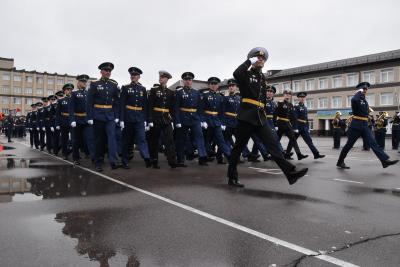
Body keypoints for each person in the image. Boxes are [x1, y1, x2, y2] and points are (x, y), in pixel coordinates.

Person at [228, 47, 308, 187]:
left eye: (263, 58)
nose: (261, 60)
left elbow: (263, 99)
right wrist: (248, 61)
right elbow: (236, 73)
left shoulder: (262, 78)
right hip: (246, 117)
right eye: (258, 57)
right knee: (238, 148)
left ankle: (290, 173)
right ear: (252, 59)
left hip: (260, 117)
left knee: (273, 146)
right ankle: (232, 177)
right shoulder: (246, 74)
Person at [336, 82, 398, 169]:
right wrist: (358, 92)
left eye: (366, 89)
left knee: (373, 143)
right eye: (364, 89)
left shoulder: (364, 100)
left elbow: (364, 112)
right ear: (360, 90)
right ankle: (340, 161)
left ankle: (384, 161)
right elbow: (354, 100)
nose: (365, 90)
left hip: (364, 125)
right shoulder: (356, 98)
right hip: (356, 125)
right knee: (349, 145)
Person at [87, 62, 120, 171]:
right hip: (98, 115)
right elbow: (89, 102)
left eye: (109, 71)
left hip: (110, 115)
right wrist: (90, 117)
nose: (108, 72)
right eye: (106, 70)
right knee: (99, 140)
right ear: (101, 71)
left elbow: (116, 102)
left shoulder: (113, 85)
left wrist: (116, 115)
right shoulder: (95, 84)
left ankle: (113, 161)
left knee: (112, 138)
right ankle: (98, 162)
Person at [148, 70, 182, 168]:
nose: (160, 79)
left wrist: (173, 120)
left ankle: (172, 161)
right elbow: (150, 106)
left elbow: (172, 108)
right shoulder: (154, 90)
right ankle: (154, 160)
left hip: (166, 119)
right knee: (154, 140)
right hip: (156, 118)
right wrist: (150, 119)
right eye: (160, 77)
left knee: (170, 140)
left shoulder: (170, 92)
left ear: (167, 79)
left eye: (163, 77)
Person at [119, 67, 151, 169]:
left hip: (140, 118)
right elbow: (122, 104)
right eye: (132, 75)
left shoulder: (143, 89)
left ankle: (146, 157)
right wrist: (121, 119)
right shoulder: (125, 88)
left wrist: (146, 120)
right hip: (128, 117)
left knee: (142, 138)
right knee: (127, 141)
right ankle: (125, 161)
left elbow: (145, 105)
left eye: (135, 75)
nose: (133, 76)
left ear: (139, 77)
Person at [174, 72, 209, 166]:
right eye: (186, 80)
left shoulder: (196, 92)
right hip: (183, 118)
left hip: (195, 118)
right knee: (181, 139)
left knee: (199, 137)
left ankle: (202, 157)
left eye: (189, 80)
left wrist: (202, 120)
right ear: (183, 81)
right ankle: (180, 160)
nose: (188, 81)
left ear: (192, 81)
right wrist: (177, 121)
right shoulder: (179, 92)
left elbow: (200, 108)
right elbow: (176, 108)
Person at [286, 92, 325, 159]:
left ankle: (316, 154)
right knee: (292, 141)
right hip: (297, 127)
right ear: (298, 98)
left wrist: (308, 128)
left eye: (303, 97)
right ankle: (287, 154)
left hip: (304, 128)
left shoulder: (305, 107)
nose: (302, 98)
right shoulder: (296, 106)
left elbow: (306, 119)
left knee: (309, 141)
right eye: (301, 97)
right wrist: (295, 128)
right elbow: (294, 118)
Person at [202, 77, 231, 164]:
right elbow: (201, 109)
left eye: (215, 84)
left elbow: (222, 111)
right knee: (205, 140)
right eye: (212, 84)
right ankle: (206, 155)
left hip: (217, 121)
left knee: (221, 140)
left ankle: (229, 156)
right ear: (209, 85)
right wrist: (203, 121)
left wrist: (222, 123)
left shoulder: (220, 97)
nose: (214, 85)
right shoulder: (205, 95)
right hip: (207, 121)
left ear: (218, 85)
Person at [275, 89, 308, 160]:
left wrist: (295, 127)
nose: (288, 95)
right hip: (280, 123)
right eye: (286, 94)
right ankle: (273, 154)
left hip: (287, 124)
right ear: (284, 94)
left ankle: (299, 155)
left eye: (289, 94)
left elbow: (293, 117)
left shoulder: (290, 105)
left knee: (293, 139)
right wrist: (275, 125)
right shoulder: (280, 103)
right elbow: (275, 114)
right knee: (276, 140)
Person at [69, 75, 95, 165]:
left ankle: (94, 158)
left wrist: (91, 118)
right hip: (77, 120)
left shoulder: (88, 94)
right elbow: (71, 108)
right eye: (82, 81)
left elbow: (91, 107)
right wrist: (72, 120)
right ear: (78, 83)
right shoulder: (74, 93)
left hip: (86, 120)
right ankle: (76, 158)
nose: (84, 83)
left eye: (85, 81)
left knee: (90, 139)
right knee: (75, 140)